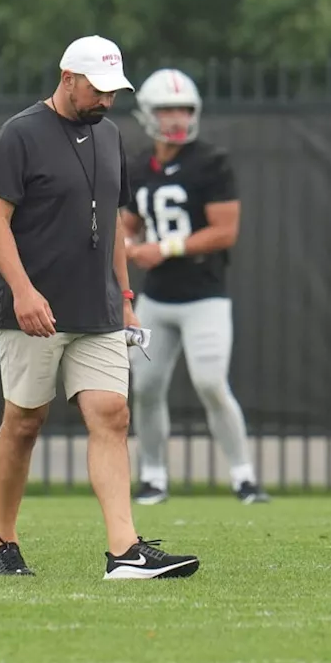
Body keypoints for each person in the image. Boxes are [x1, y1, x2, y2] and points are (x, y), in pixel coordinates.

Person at [0, 35, 199, 580]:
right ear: (67, 77)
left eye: (113, 91)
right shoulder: (20, 133)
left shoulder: (110, 134)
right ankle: (1, 544)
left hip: (98, 308)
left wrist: (124, 298)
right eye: (97, 89)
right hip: (32, 309)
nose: (105, 100)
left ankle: (124, 552)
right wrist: (24, 292)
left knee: (111, 414)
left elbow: (118, 229)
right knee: (25, 421)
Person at [121, 68, 268, 506]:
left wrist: (162, 247)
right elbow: (126, 225)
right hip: (156, 298)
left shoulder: (211, 162)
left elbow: (225, 231)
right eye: (167, 109)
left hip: (204, 296)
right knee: (144, 387)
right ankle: (153, 477)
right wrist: (128, 245)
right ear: (148, 114)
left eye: (184, 109)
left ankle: (243, 477)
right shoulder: (138, 166)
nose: (176, 118)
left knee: (210, 383)